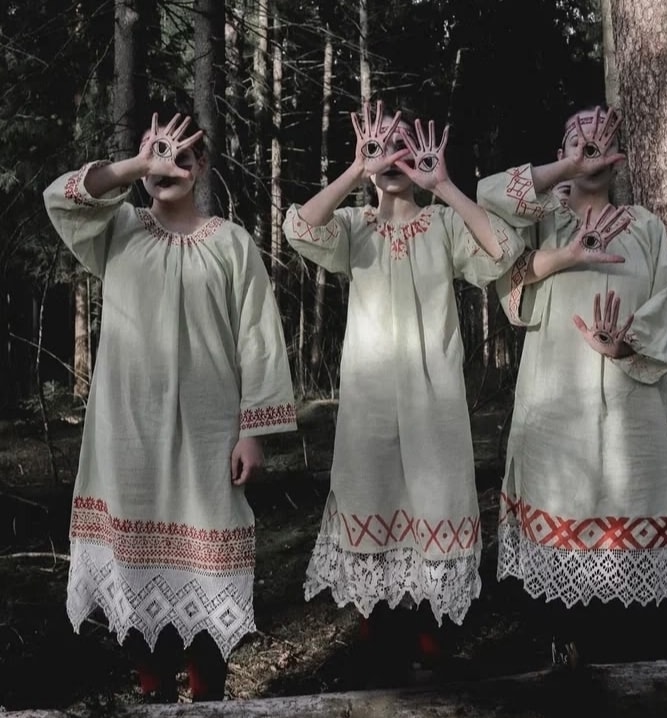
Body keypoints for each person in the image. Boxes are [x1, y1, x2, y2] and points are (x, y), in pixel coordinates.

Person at [43, 111, 297, 702]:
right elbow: (59, 197)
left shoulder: (231, 243)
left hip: (208, 433)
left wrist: (253, 430)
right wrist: (136, 164)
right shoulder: (117, 229)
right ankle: (152, 693)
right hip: (128, 432)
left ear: (201, 166)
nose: (168, 167)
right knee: (134, 572)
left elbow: (258, 338)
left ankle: (208, 698)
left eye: (183, 156)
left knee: (207, 565)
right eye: (158, 154)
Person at [282, 100, 524, 680]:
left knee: (435, 507)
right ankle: (380, 658)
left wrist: (444, 186)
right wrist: (354, 171)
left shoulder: (443, 226)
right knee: (372, 502)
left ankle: (434, 653)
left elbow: (505, 249)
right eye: (381, 146)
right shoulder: (354, 227)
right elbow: (299, 229)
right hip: (368, 407)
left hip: (433, 404)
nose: (391, 157)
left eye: (402, 146)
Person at [475, 105, 667, 668]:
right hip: (553, 411)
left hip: (628, 412)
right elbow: (487, 196)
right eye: (576, 137)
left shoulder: (645, 226)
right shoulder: (544, 221)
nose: (588, 142)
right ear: (561, 152)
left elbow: (665, 309)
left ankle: (633, 670)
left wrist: (624, 345)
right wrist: (566, 179)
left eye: (599, 137)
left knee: (627, 549)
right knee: (559, 553)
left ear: (618, 154)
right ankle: (564, 663)